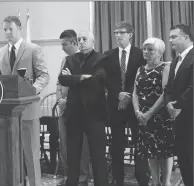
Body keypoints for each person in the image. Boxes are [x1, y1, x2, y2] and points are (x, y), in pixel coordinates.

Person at [0, 16, 49, 186]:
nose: (7, 33)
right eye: (4, 30)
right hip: (7, 112)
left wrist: (33, 90)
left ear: (19, 28)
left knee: (31, 154)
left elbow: (43, 75)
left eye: (10, 29)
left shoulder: (33, 49)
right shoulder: (0, 52)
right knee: (10, 154)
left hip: (28, 110)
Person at [101, 21, 149, 186]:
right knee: (117, 144)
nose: (118, 35)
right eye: (116, 32)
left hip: (136, 106)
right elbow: (105, 79)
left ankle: (142, 177)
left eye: (122, 32)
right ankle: (118, 178)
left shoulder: (141, 54)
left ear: (130, 34)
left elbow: (143, 77)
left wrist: (127, 95)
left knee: (139, 142)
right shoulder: (108, 55)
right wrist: (118, 94)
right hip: (115, 106)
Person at [58, 31, 109, 186]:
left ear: (93, 41)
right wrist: (80, 77)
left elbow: (98, 80)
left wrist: (73, 77)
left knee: (98, 154)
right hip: (74, 113)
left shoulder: (102, 58)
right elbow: (62, 79)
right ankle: (72, 183)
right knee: (73, 153)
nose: (81, 42)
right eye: (78, 40)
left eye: (84, 39)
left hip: (95, 113)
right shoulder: (70, 59)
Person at [132, 37, 173, 186]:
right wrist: (137, 111)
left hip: (160, 116)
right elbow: (135, 93)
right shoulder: (140, 69)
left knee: (164, 151)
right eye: (145, 49)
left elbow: (165, 94)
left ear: (160, 53)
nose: (146, 52)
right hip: (143, 117)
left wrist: (149, 113)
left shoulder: (165, 67)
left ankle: (166, 181)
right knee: (150, 151)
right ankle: (155, 181)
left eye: (150, 49)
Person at [56, 29, 91, 185]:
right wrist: (59, 100)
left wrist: (68, 100)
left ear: (74, 43)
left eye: (65, 44)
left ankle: (82, 178)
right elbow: (59, 82)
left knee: (81, 146)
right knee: (64, 145)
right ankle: (68, 176)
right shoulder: (65, 60)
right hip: (64, 110)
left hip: (78, 110)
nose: (62, 48)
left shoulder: (84, 59)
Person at [164, 23, 193, 186]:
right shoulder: (176, 60)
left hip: (191, 115)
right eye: (169, 37)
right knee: (183, 159)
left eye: (174, 37)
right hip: (178, 118)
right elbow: (168, 88)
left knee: (191, 158)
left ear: (186, 37)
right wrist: (169, 105)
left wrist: (178, 105)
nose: (170, 41)